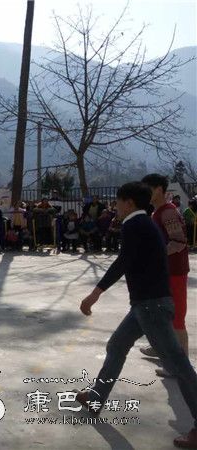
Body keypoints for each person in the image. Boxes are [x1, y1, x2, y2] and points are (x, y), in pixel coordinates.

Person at [76, 181, 197, 449]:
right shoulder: (146, 224)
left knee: (178, 365)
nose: (115, 207)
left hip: (151, 307)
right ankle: (96, 397)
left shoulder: (134, 224)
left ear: (129, 203)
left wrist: (95, 293)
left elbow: (123, 262)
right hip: (147, 305)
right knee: (117, 345)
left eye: (118, 202)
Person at [139, 174, 191, 378]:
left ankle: (181, 366)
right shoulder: (158, 211)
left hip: (175, 272)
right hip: (164, 272)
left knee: (176, 317)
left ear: (159, 189)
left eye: (148, 189)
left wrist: (155, 254)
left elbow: (179, 242)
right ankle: (160, 349)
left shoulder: (167, 212)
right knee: (161, 314)